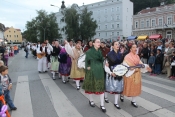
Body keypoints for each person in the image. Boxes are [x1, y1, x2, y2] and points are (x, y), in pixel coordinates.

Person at [82, 38, 106, 112]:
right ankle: (91, 100)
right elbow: (86, 61)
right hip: (91, 71)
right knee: (91, 86)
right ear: (93, 43)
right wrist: (87, 67)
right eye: (97, 42)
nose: (99, 43)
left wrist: (105, 62)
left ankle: (102, 105)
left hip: (100, 70)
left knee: (101, 87)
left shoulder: (99, 51)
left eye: (100, 42)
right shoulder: (89, 52)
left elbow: (102, 60)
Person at [104, 41, 124, 109]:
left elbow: (122, 64)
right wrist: (110, 72)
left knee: (118, 88)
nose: (117, 45)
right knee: (108, 87)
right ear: (112, 46)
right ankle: (105, 97)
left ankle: (116, 103)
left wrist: (123, 70)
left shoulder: (121, 54)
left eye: (118, 44)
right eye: (116, 44)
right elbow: (106, 65)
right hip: (111, 72)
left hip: (119, 72)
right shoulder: (109, 54)